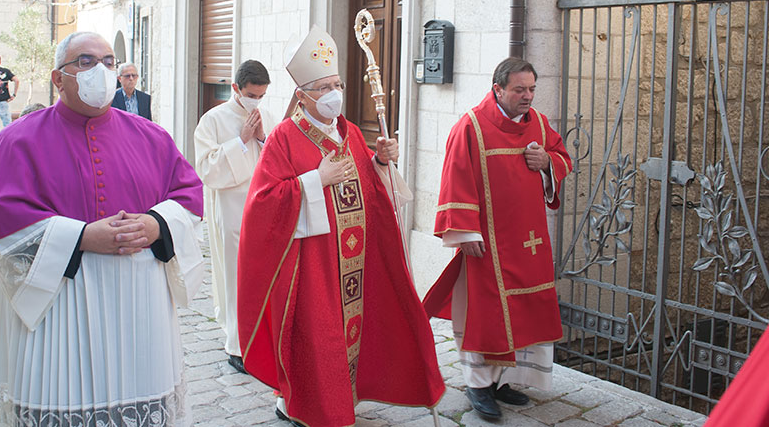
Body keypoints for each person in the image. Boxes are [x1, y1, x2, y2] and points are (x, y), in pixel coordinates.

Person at [0, 31, 204, 427]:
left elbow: (189, 195)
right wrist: (81, 237)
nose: (99, 70)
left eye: (108, 61)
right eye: (85, 61)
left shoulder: (152, 137)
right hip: (59, 310)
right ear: (57, 78)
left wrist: (155, 224)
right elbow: (3, 222)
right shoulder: (16, 141)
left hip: (141, 310)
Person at [238, 26, 445, 426]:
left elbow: (373, 189)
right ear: (302, 95)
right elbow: (261, 206)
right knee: (316, 338)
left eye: (337, 84)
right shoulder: (283, 138)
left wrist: (382, 162)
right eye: (323, 87)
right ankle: (299, 404)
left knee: (349, 335)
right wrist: (316, 180)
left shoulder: (349, 133)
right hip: (310, 266)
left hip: (354, 262)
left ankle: (343, 395)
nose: (334, 93)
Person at [423, 57, 572, 421]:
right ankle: (478, 385)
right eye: (520, 89)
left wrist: (547, 162)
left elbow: (561, 155)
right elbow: (455, 177)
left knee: (526, 310)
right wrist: (464, 233)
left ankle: (506, 379)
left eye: (532, 89)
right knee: (485, 314)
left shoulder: (537, 123)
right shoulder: (471, 127)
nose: (528, 96)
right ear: (498, 89)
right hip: (487, 242)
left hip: (530, 239)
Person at [193, 59, 271, 374]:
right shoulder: (212, 120)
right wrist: (240, 140)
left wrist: (263, 138)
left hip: (263, 209)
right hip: (230, 209)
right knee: (236, 276)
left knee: (262, 276)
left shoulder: (268, 116)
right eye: (252, 94)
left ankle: (263, 338)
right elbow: (207, 167)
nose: (257, 101)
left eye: (262, 95)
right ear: (236, 88)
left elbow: (278, 161)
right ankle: (238, 346)